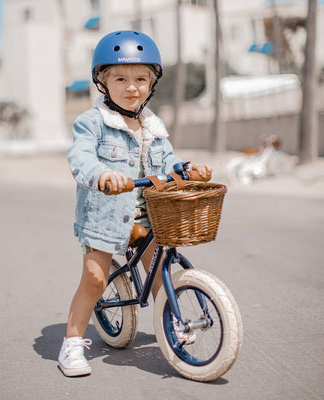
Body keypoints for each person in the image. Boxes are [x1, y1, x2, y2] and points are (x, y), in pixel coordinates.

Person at [58, 30, 212, 377]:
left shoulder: (153, 126)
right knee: (96, 280)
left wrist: (187, 169)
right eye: (121, 78)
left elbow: (168, 159)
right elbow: (80, 158)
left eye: (141, 78)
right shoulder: (93, 123)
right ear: (103, 82)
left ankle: (171, 324)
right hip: (104, 217)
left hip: (148, 214)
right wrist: (101, 176)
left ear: (152, 83)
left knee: (159, 271)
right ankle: (70, 344)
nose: (132, 87)